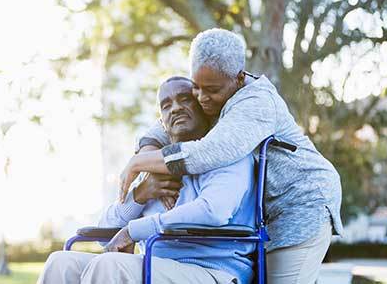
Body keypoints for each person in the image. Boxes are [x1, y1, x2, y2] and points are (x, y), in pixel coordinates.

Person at [119, 28, 343, 284]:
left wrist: (139, 163)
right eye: (196, 88)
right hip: (266, 213)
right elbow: (164, 124)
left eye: (211, 90)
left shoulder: (255, 103)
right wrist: (146, 150)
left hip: (300, 202)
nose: (202, 98)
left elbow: (207, 153)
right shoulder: (215, 92)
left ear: (238, 78)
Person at [38, 76, 257, 284]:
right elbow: (104, 234)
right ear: (162, 122)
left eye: (184, 99)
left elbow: (213, 210)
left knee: (110, 265)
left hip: (213, 269)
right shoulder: (154, 163)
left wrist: (134, 230)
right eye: (166, 105)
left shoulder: (227, 151)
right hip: (156, 264)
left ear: (203, 106)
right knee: (61, 262)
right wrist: (140, 194)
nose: (176, 108)